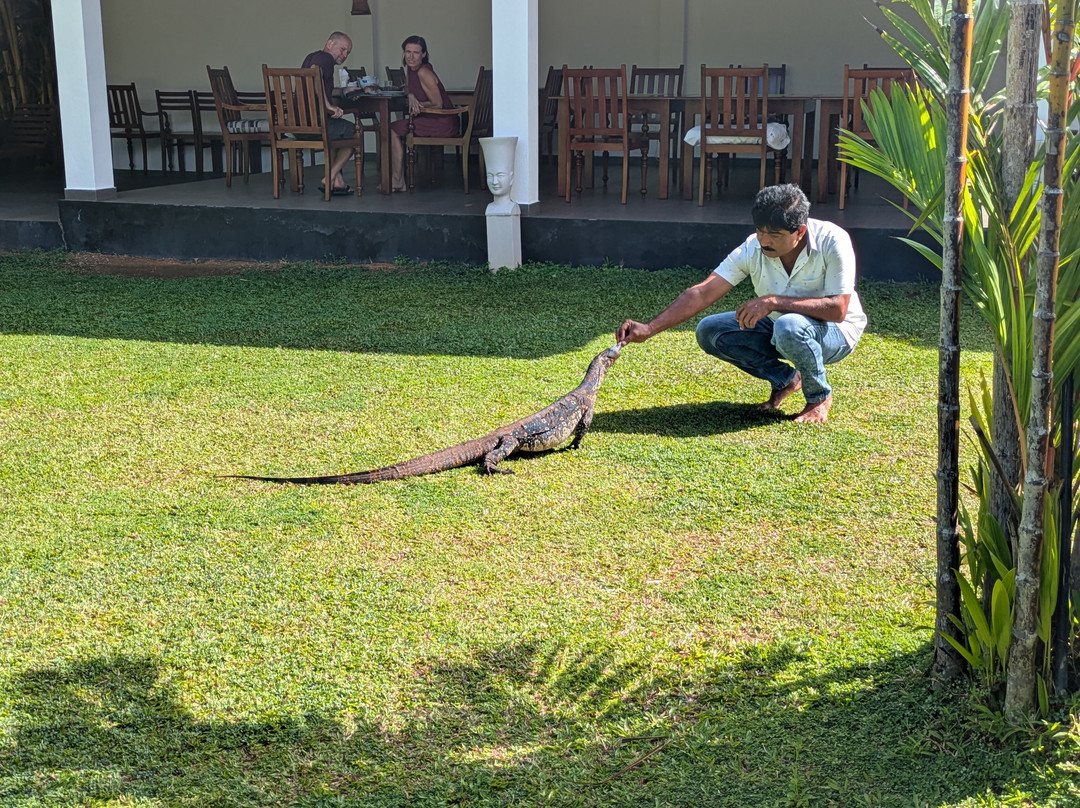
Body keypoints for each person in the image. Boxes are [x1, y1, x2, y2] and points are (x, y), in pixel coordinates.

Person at [615, 184, 866, 424]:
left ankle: (819, 397)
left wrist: (773, 301)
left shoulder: (833, 240)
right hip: (782, 327)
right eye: (760, 230)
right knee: (710, 331)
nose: (764, 240)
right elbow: (703, 292)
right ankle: (786, 379)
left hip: (837, 332)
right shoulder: (753, 246)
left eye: (774, 234)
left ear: (800, 231)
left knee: (789, 326)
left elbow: (838, 309)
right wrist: (649, 329)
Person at [388, 35, 457, 192]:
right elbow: (407, 87)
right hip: (429, 118)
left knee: (390, 130)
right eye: (408, 52)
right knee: (391, 128)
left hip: (441, 121)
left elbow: (438, 104)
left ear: (424, 54)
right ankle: (397, 178)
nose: (411, 57)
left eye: (416, 53)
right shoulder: (411, 68)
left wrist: (418, 105)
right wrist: (410, 95)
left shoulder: (423, 72)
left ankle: (398, 180)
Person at [301, 32, 357, 195]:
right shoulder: (325, 59)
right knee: (354, 133)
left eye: (348, 52)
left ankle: (337, 181)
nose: (344, 55)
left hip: (298, 125)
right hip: (316, 125)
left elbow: (317, 81)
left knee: (337, 131)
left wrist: (342, 90)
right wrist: (328, 106)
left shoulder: (311, 56)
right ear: (330, 43)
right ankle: (329, 176)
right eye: (342, 49)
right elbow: (315, 75)